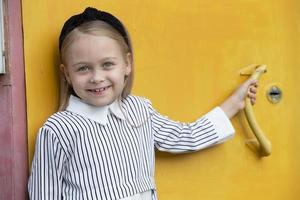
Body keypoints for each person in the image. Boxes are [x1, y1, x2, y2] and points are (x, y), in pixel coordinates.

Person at [28, 7, 258, 200]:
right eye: (83, 68)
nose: (97, 77)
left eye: (107, 64)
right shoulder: (58, 129)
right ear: (66, 73)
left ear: (127, 64)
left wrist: (235, 103)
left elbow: (184, 136)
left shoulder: (139, 110)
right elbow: (44, 194)